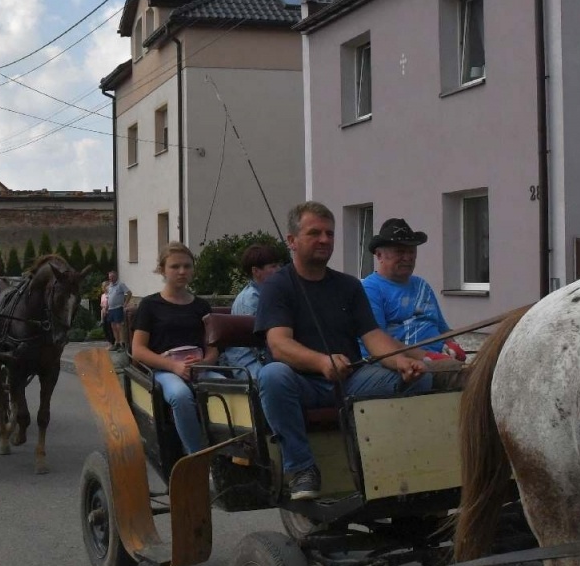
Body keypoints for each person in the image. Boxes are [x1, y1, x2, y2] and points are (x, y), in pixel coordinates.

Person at [256, 201, 430, 500]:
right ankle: (301, 469)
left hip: (350, 380)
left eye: (330, 233)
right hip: (302, 384)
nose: (325, 240)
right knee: (272, 376)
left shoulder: (349, 285)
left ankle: (394, 464)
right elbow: (278, 344)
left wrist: (402, 363)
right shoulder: (278, 286)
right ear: (292, 241)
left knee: (422, 379)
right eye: (315, 233)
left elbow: (374, 337)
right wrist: (321, 361)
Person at [129, 243, 218, 455]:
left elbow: (213, 348)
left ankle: (233, 451)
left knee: (233, 389)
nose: (182, 271)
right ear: (162, 270)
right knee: (179, 395)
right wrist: (173, 366)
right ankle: (196, 456)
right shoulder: (150, 306)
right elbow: (138, 350)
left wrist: (204, 364)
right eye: (175, 266)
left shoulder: (201, 307)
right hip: (164, 370)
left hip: (200, 368)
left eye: (187, 266)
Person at [360, 218, 465, 362]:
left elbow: (443, 328)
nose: (408, 258)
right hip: (405, 366)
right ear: (379, 255)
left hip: (440, 359)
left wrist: (451, 343)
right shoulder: (370, 289)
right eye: (400, 251)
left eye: (411, 251)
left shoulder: (423, 286)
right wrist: (427, 357)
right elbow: (379, 342)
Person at [217, 242, 282, 375]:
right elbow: (258, 342)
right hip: (247, 360)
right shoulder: (251, 299)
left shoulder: (268, 294)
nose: (279, 269)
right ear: (256, 271)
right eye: (273, 266)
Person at [103, 269, 130, 350]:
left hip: (118, 307)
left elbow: (129, 293)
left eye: (112, 277)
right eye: (109, 277)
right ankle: (117, 342)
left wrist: (125, 303)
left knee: (119, 326)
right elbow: (108, 298)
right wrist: (106, 308)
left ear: (116, 277)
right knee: (113, 326)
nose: (110, 279)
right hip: (111, 309)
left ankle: (122, 343)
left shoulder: (120, 285)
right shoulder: (109, 287)